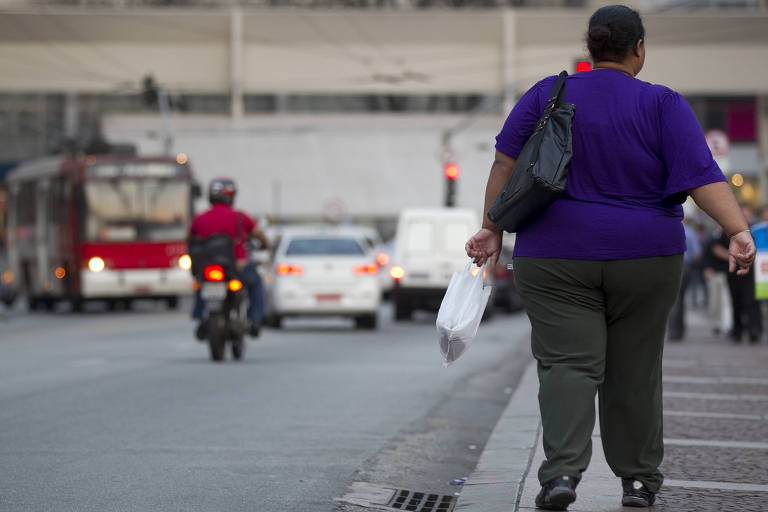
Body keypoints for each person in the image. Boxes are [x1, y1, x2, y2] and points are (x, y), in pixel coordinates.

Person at [465, 5, 755, 510]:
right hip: (646, 254)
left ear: (591, 47)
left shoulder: (545, 95)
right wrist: (738, 231)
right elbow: (701, 177)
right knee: (635, 368)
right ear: (638, 48)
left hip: (554, 255)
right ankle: (639, 482)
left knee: (566, 365)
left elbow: (505, 164)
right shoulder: (662, 104)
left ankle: (560, 476)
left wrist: (491, 228)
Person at [189, 178, 270, 338]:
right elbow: (259, 236)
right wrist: (265, 245)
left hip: (207, 267)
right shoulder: (240, 217)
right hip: (236, 266)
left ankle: (199, 315)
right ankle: (255, 318)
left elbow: (189, 240)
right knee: (255, 285)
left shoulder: (200, 218)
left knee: (201, 284)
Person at [666, 220, 702, 341]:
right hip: (686, 267)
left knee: (674, 299)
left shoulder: (668, 229)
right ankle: (680, 329)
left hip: (673, 265)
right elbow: (697, 254)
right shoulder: (690, 232)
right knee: (681, 299)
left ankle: (674, 332)